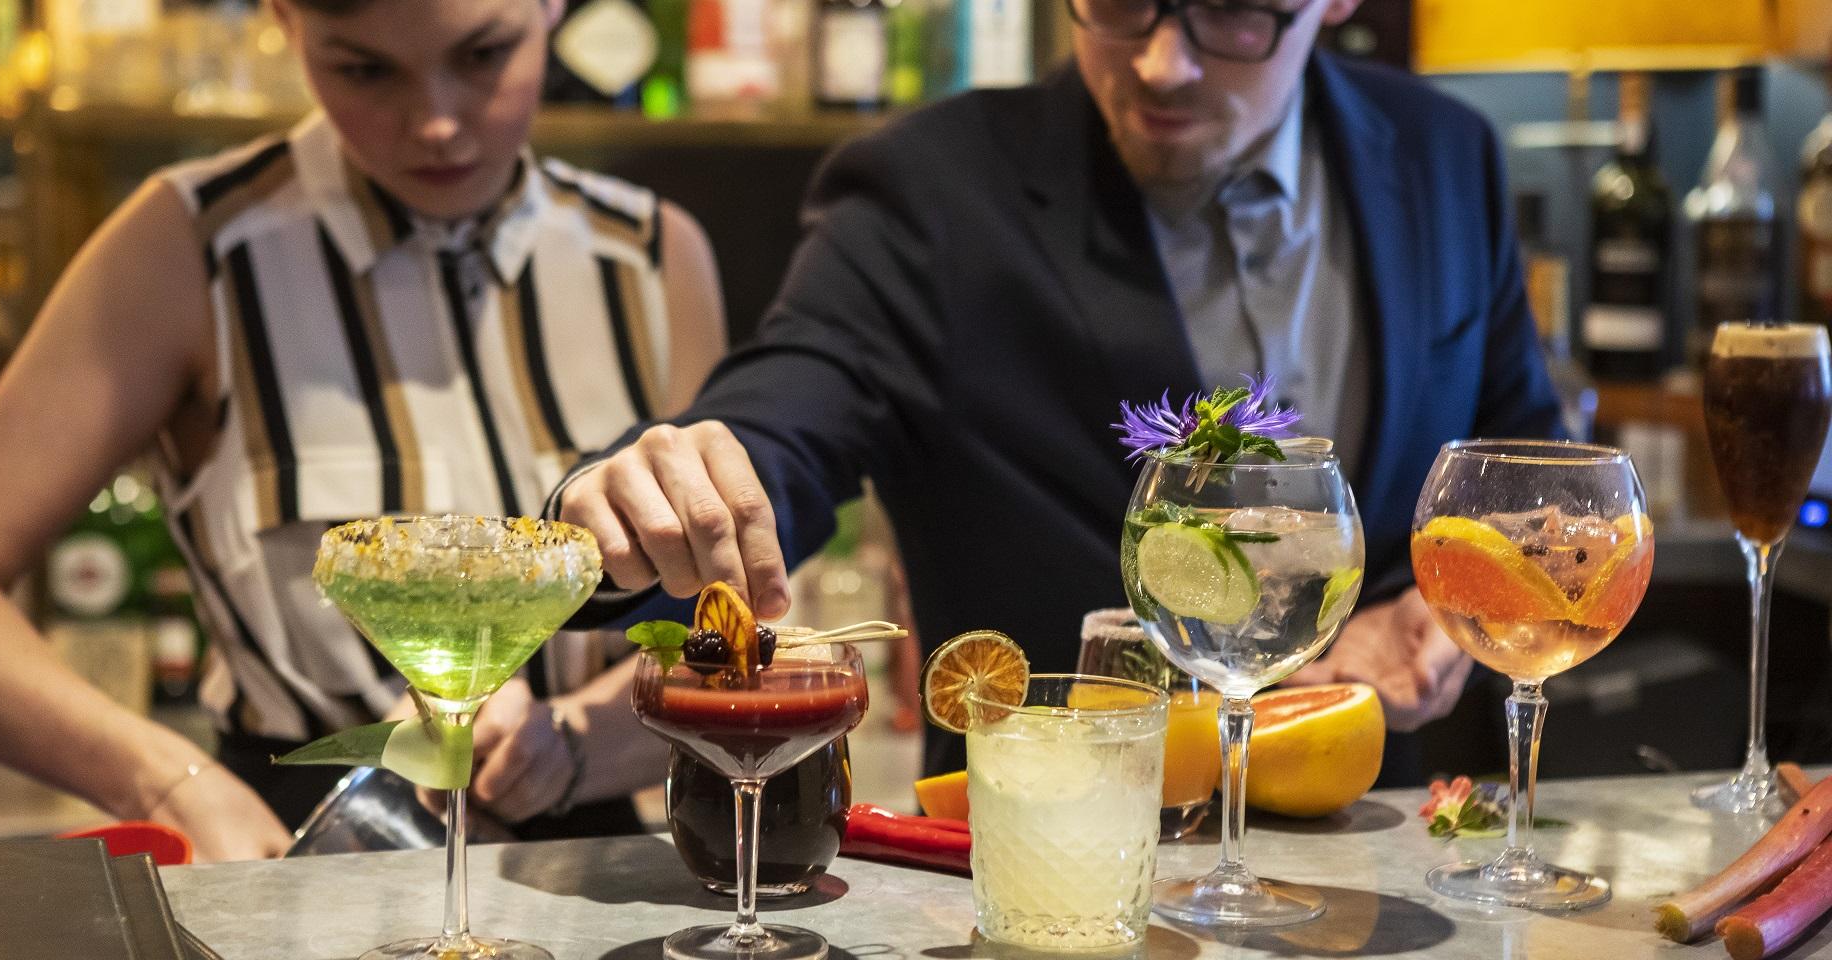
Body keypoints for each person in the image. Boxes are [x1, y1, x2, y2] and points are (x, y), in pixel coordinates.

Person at [555, 0, 1562, 779]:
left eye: (1231, 12)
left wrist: (1450, 607)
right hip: (1055, 862)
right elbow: (788, 417)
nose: (1163, 63)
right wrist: (654, 499)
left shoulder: (1443, 155)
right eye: (1120, 3)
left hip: (1380, 863)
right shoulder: (931, 190)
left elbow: (1526, 475)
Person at [0, 0, 722, 861]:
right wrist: (164, 781)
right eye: (365, 70)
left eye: (483, 54)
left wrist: (575, 742)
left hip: (587, 861)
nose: (436, 122)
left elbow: (728, 621)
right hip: (302, 847)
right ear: (284, 21)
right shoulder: (194, 245)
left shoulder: (650, 256)